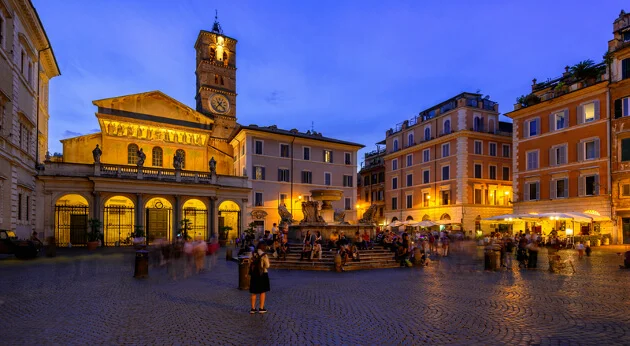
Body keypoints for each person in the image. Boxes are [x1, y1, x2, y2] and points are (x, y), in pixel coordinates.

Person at [249, 243, 270, 314]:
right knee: (262, 291)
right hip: (262, 274)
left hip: (254, 274)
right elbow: (267, 265)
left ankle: (253, 308)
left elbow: (250, 263)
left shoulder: (252, 254)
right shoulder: (264, 255)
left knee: (254, 292)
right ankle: (261, 308)